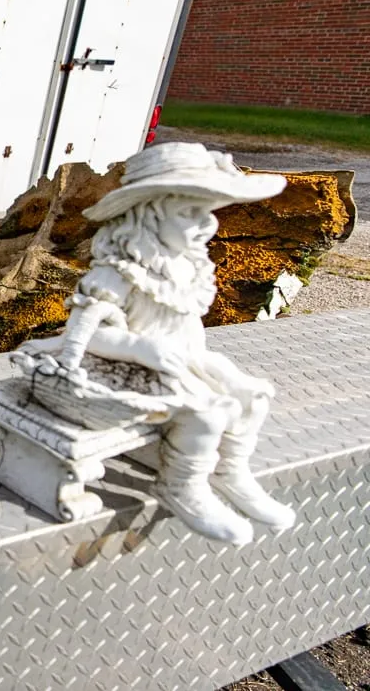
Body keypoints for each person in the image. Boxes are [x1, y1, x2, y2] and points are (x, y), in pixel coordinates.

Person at [17, 142, 296, 544]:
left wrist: (192, 359)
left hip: (180, 358)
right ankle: (182, 484)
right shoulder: (120, 272)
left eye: (207, 213)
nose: (204, 225)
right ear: (145, 218)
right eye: (188, 214)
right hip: (128, 365)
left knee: (251, 394)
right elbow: (87, 330)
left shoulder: (188, 266)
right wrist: (139, 349)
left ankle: (229, 471)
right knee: (207, 412)